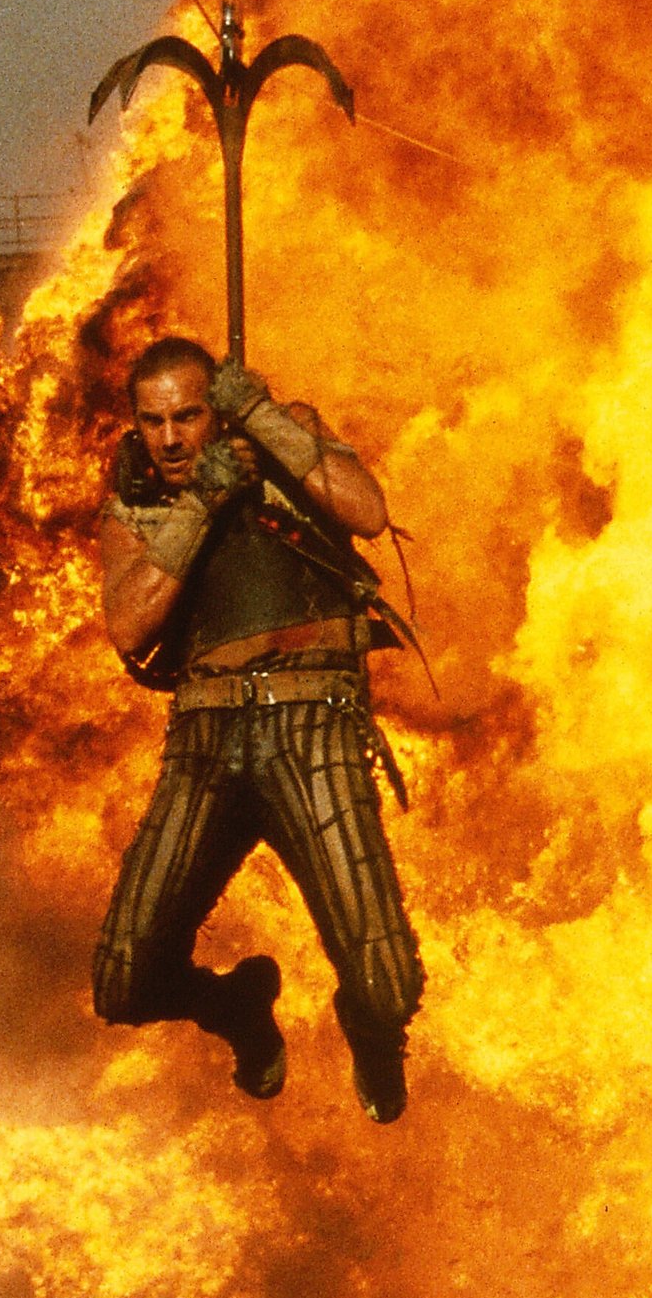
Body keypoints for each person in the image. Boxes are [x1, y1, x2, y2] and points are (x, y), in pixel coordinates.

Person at [92, 335, 423, 1121]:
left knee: (389, 980)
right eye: (153, 421)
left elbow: (368, 511)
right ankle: (236, 1007)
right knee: (122, 980)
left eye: (188, 415)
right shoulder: (134, 502)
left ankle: (372, 1031)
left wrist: (262, 417)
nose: (170, 437)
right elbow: (130, 625)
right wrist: (202, 504)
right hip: (206, 740)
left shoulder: (285, 432)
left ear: (216, 405)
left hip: (314, 729)